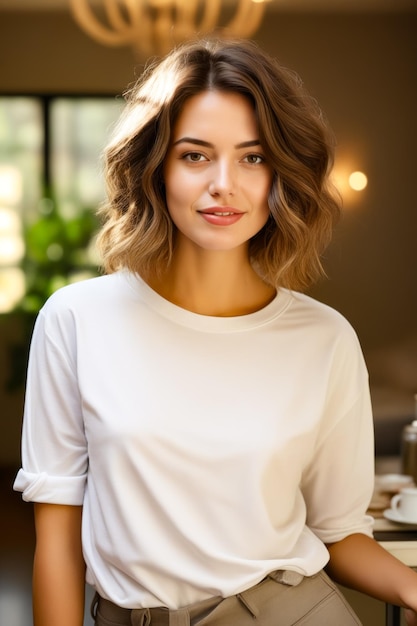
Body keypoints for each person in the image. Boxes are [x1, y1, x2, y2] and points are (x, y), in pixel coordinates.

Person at [14, 38, 417, 626]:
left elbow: (339, 534)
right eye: (195, 155)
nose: (223, 184)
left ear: (279, 175)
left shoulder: (324, 338)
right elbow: (56, 540)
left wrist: (411, 586)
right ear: (155, 167)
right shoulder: (76, 320)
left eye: (253, 157)